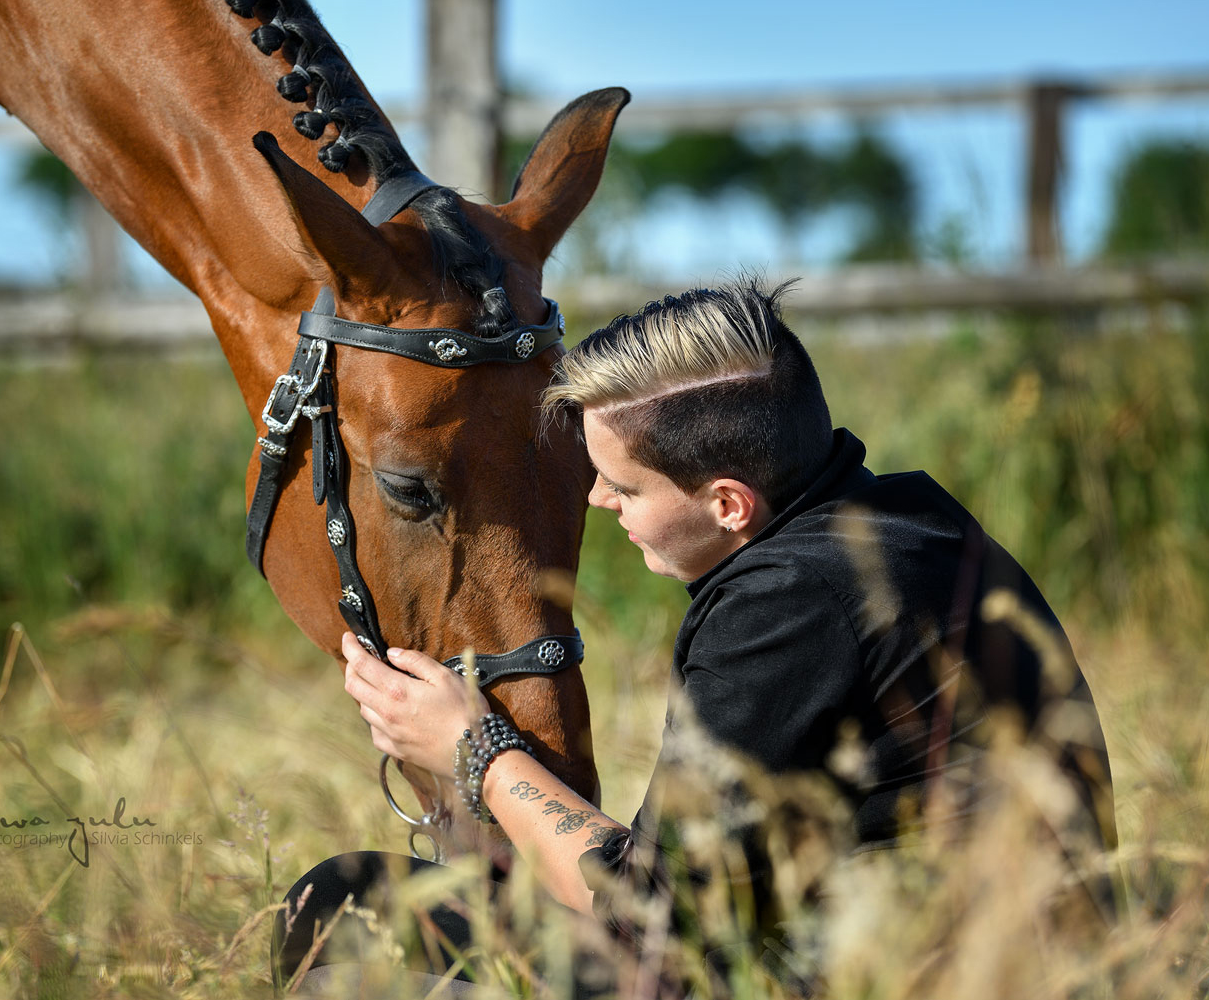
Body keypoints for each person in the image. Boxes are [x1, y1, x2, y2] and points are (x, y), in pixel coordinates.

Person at [274, 276, 1117, 995]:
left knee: (343, 924)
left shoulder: (788, 604)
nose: (602, 504)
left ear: (726, 504)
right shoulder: (911, 522)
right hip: (960, 955)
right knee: (379, 901)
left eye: (623, 486)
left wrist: (474, 747)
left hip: (871, 973)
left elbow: (650, 922)